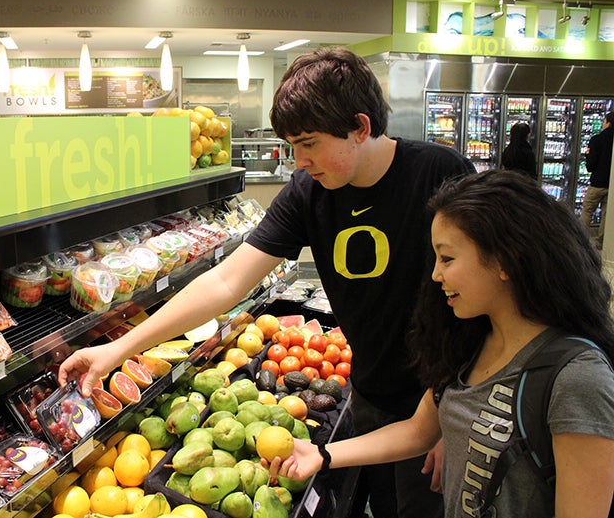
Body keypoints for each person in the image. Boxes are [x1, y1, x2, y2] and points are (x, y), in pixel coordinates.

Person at [58, 47, 475, 518]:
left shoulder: (440, 175)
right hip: (370, 395)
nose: (299, 161)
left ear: (359, 127)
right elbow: (226, 282)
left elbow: (488, 309)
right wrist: (119, 349)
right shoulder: (308, 193)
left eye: (310, 143)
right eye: (292, 145)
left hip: (446, 400)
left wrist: (450, 414)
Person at [266, 170, 614, 518]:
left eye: (446, 258)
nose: (435, 275)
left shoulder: (576, 378)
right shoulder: (470, 341)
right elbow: (418, 432)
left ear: (506, 260)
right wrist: (322, 455)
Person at [580, 111, 614, 248]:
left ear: (608, 122)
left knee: (587, 209)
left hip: (597, 182)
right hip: (611, 184)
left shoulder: (597, 139)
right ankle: (602, 241)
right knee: (607, 213)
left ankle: (580, 237)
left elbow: (591, 164)